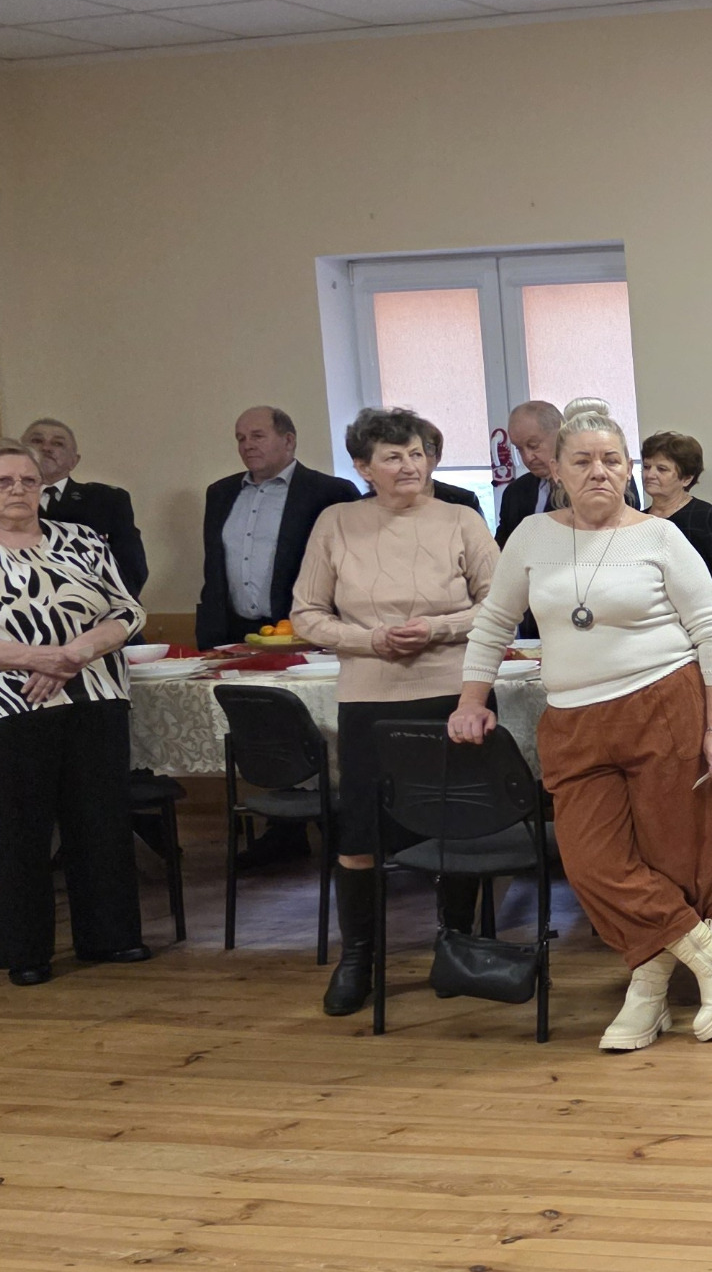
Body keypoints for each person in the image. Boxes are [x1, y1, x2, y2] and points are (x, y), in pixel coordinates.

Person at [451, 409, 712, 1051]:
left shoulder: (661, 537)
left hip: (664, 707)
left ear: (628, 469)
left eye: (612, 460)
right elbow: (493, 624)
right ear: (558, 472)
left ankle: (648, 993)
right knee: (591, 862)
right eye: (583, 460)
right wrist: (470, 700)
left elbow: (710, 632)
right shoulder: (532, 537)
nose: (599, 471)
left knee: (676, 858)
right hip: (572, 719)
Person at [289, 408, 501, 1017]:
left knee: (457, 826)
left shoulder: (461, 519)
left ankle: (455, 945)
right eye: (392, 456)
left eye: (417, 454)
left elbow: (502, 605)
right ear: (363, 467)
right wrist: (370, 640)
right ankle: (359, 957)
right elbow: (306, 614)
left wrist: (437, 628)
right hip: (370, 698)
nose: (410, 466)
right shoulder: (335, 522)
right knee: (360, 833)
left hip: (455, 692)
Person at [0, 438, 150, 986]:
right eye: (3, 481)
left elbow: (128, 610)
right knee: (18, 832)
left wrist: (74, 654)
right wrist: (36, 657)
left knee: (100, 822)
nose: (18, 490)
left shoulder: (82, 540)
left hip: (95, 696)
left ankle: (111, 937)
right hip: (4, 708)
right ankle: (26, 951)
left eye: (28, 481)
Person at [196, 406, 359, 866]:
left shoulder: (330, 491)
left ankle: (340, 825)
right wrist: (209, 635)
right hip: (239, 634)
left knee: (319, 725)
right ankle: (285, 832)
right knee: (265, 728)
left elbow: (346, 565)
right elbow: (215, 566)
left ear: (289, 440)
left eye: (258, 435)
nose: (247, 445)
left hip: (310, 631)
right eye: (240, 437)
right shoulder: (220, 492)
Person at [0, 419, 148, 597]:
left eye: (58, 444)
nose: (46, 448)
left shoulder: (107, 500)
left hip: (93, 606)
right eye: (37, 441)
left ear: (74, 461)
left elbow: (131, 567)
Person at [642, 431, 712, 626]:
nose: (650, 475)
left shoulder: (709, 517)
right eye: (647, 467)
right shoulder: (637, 520)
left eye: (662, 469)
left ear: (686, 479)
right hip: (650, 627)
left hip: (700, 626)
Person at [497, 400, 563, 548]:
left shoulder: (585, 487)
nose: (527, 458)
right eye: (519, 449)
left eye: (533, 446)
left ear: (561, 435)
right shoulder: (514, 492)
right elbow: (502, 550)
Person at [415, 416, 485, 514]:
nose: (420, 457)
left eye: (428, 448)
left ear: (438, 457)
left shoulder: (463, 501)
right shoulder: (391, 502)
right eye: (413, 453)